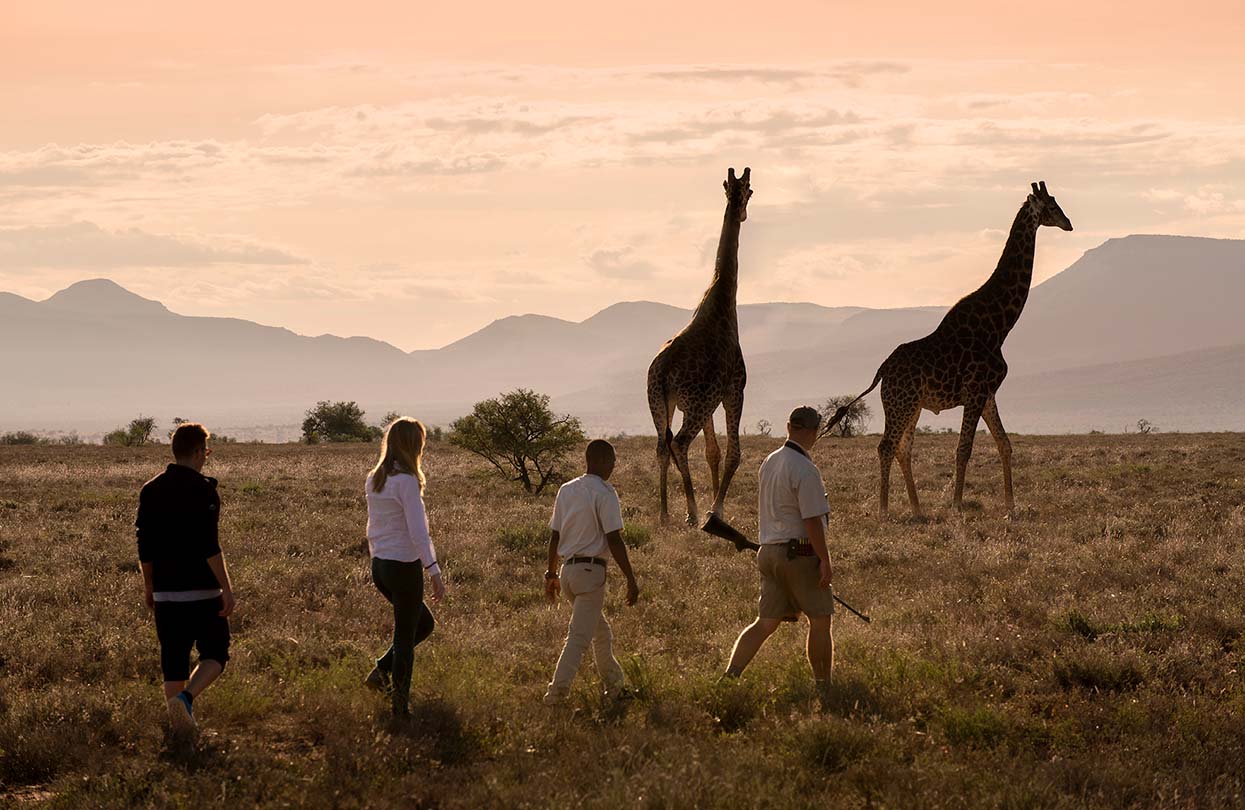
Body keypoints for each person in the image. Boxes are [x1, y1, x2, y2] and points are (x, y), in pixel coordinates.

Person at [723, 406, 835, 701]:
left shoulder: (770, 462)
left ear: (788, 427)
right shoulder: (806, 469)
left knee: (765, 623)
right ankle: (824, 688)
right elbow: (811, 520)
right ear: (813, 432)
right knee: (821, 620)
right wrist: (824, 560)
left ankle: (729, 678)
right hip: (798, 554)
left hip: (768, 553)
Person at [136, 422, 235, 736]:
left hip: (165, 592)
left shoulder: (150, 489)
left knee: (173, 660)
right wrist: (227, 589)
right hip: (203, 591)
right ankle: (186, 698)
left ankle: (180, 730)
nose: (206, 456)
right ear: (196, 452)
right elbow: (209, 546)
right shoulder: (204, 489)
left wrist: (149, 586)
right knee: (216, 653)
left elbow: (145, 547)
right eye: (206, 450)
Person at [542, 439, 640, 705]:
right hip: (590, 574)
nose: (614, 467)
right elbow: (614, 540)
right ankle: (556, 694)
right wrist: (631, 578)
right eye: (613, 461)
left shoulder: (566, 489)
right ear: (602, 461)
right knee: (578, 638)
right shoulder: (605, 493)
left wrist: (551, 574)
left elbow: (555, 535)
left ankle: (616, 687)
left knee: (601, 633)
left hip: (568, 574)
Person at [364, 417, 445, 718]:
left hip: (380, 565)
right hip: (403, 566)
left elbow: (374, 525)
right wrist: (434, 571)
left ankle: (381, 670)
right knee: (405, 636)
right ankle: (400, 708)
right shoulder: (407, 481)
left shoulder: (375, 477)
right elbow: (418, 533)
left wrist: (378, 558)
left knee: (422, 625)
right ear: (414, 445)